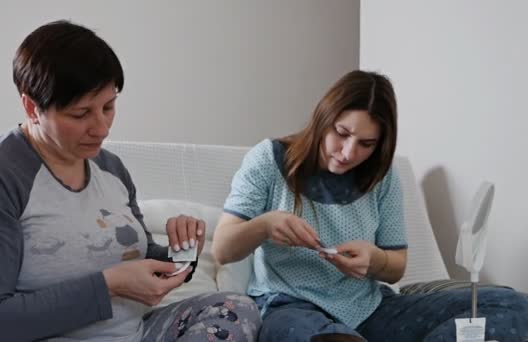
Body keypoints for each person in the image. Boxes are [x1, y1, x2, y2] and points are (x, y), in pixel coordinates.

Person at [0, 20, 260, 342]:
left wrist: (182, 253)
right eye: (81, 114)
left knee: (233, 308)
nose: (102, 127)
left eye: (109, 106)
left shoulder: (110, 168)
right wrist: (108, 285)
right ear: (32, 107)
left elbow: (137, 257)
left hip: (132, 334)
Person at [212, 70, 528, 341]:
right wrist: (265, 225)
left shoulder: (382, 175)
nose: (349, 153)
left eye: (366, 144)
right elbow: (223, 250)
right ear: (324, 118)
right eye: (342, 133)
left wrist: (374, 259)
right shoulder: (268, 159)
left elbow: (396, 267)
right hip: (290, 308)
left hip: (370, 310)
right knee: (308, 336)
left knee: (511, 305)